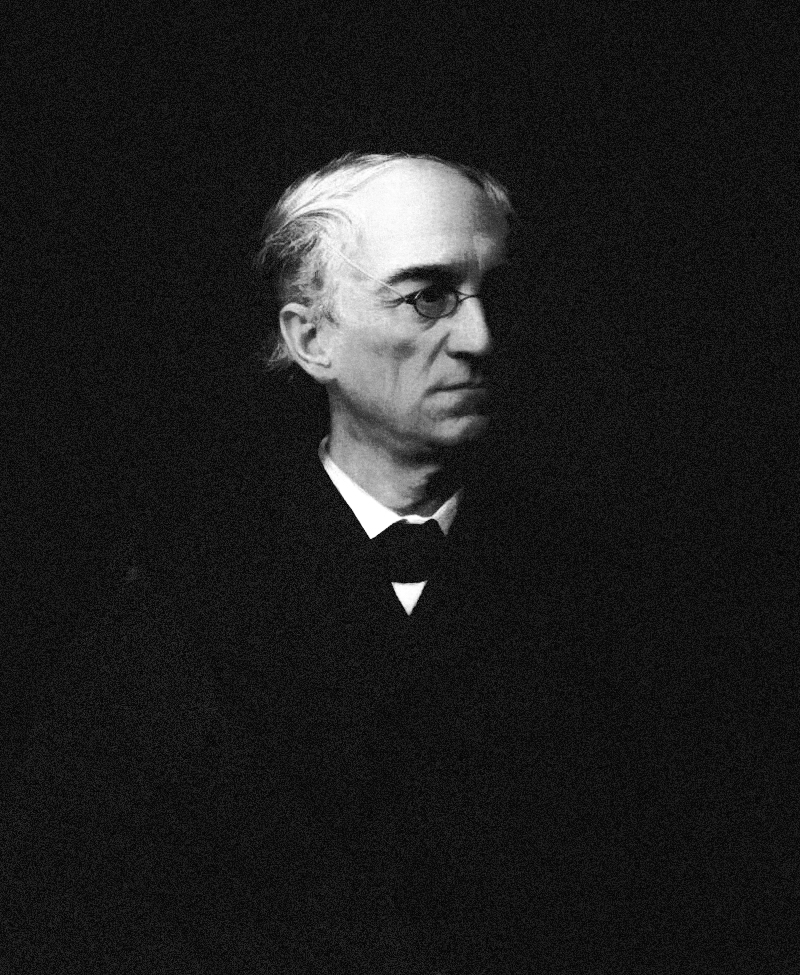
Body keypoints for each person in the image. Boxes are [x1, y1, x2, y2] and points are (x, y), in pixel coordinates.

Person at [3, 152, 795, 973]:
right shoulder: (174, 610)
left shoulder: (617, 603)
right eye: (427, 297)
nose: (481, 339)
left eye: (495, 294)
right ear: (312, 338)